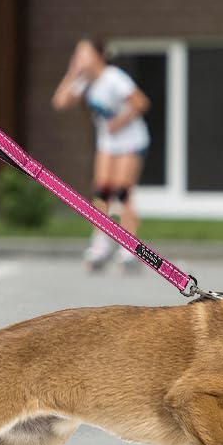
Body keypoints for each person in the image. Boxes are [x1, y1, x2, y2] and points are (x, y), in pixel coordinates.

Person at [50, 37, 152, 272]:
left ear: (99, 56)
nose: (80, 58)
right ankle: (100, 244)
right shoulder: (84, 82)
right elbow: (60, 102)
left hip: (131, 139)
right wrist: (72, 74)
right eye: (78, 54)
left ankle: (129, 248)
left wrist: (119, 122)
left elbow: (140, 103)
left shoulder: (114, 78)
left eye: (84, 53)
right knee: (102, 191)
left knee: (123, 192)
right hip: (108, 142)